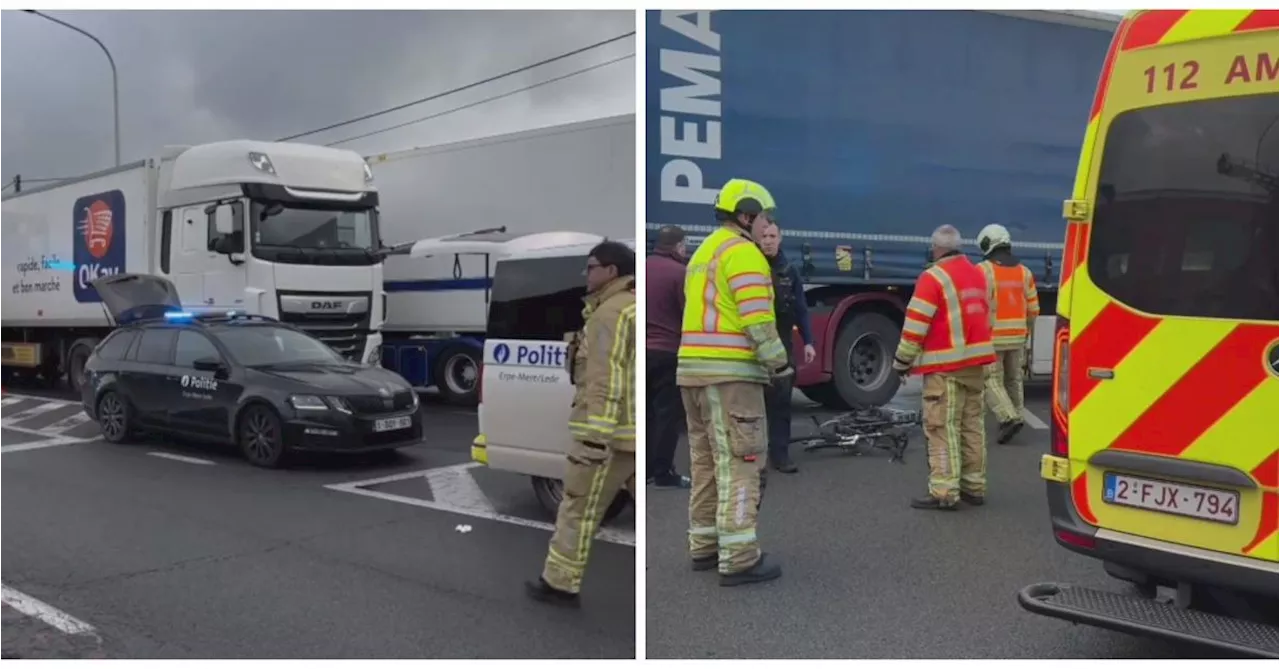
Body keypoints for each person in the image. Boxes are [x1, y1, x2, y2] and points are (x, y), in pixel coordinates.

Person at [678, 178, 792, 586]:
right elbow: (758, 320)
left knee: (706, 463)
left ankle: (705, 546)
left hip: (692, 372)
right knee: (743, 462)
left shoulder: (704, 251)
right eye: (764, 217)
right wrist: (780, 367)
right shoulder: (744, 254)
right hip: (731, 375)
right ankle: (740, 556)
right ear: (745, 215)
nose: (768, 225)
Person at [526, 241, 636, 607]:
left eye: (591, 267)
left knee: (577, 507)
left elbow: (605, 380)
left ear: (612, 271)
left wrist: (594, 437)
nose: (586, 274)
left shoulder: (609, 314)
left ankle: (559, 582)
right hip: (635, 437)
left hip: (611, 440)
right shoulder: (631, 307)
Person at [892, 224, 996, 511]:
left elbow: (915, 326)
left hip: (944, 366)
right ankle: (974, 487)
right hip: (975, 365)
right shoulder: (978, 274)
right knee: (971, 426)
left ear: (936, 248)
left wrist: (901, 361)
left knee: (942, 427)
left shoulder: (932, 277)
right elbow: (989, 316)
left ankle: (944, 492)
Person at [753, 220, 815, 474]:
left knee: (781, 402)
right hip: (753, 345)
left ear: (780, 239)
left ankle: (780, 454)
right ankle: (753, 456)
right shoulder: (749, 266)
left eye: (772, 236)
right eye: (764, 235)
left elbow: (801, 308)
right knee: (753, 405)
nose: (768, 240)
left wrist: (809, 341)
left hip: (781, 343)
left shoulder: (789, 270)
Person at [976, 223, 1040, 444]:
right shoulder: (1025, 272)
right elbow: (1033, 309)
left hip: (992, 337)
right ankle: (1018, 414)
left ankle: (1008, 417)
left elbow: (978, 306)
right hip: (1017, 336)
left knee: (990, 379)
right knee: (1014, 379)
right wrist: (1026, 331)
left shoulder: (984, 270)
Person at [646, 225, 692, 489]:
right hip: (668, 351)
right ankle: (663, 472)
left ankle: (645, 468)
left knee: (647, 413)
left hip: (642, 352)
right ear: (677, 246)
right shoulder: (680, 273)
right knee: (667, 415)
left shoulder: (642, 268)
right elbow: (688, 312)